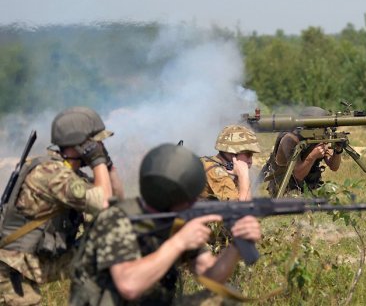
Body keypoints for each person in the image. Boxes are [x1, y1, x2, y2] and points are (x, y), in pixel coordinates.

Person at [69, 143, 262, 305]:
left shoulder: (176, 222)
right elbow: (129, 285)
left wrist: (237, 244)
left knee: (224, 298)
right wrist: (178, 242)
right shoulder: (117, 219)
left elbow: (212, 275)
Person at [0, 106, 123, 306]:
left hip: (30, 261)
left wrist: (107, 165)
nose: (101, 146)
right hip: (10, 269)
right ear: (79, 144)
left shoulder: (67, 174)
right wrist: (97, 161)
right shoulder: (51, 173)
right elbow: (103, 202)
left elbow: (116, 201)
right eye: (96, 142)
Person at [265, 106, 342, 197]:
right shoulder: (289, 140)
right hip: (285, 187)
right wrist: (312, 156)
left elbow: (334, 167)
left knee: (331, 197)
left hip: (309, 185)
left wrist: (338, 150)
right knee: (298, 202)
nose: (323, 131)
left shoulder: (320, 137)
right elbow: (298, 175)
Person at [200, 125, 261, 201]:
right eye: (248, 155)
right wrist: (243, 177)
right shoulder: (216, 172)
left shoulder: (213, 163)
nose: (250, 161)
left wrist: (238, 179)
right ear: (233, 153)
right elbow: (242, 209)